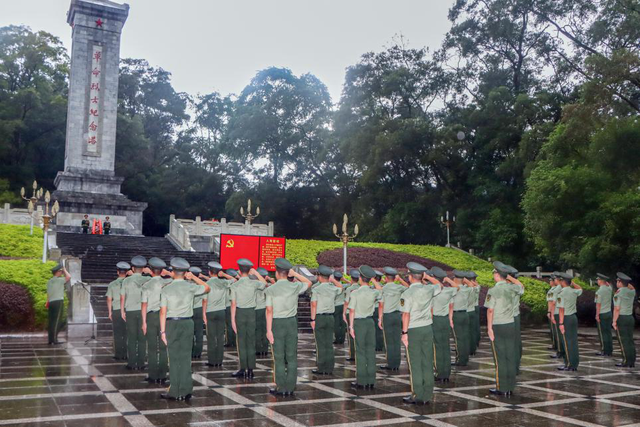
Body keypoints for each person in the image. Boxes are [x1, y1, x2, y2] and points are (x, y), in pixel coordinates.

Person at [159, 257, 211, 401]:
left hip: (172, 324)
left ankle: (175, 391)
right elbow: (207, 288)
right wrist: (194, 277)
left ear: (173, 271)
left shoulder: (167, 289)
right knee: (186, 357)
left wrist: (162, 331)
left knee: (174, 358)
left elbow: (163, 311)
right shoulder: (190, 286)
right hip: (188, 323)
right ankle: (187, 389)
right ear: (185, 272)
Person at [266, 258, 312, 395]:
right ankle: (290, 388)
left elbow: (269, 310)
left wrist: (269, 330)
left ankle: (281, 387)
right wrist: (295, 274)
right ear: (287, 273)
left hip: (277, 323)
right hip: (291, 323)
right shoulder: (294, 286)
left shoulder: (271, 289)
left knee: (279, 357)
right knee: (292, 356)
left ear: (277, 272)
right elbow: (309, 282)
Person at [400, 262, 441, 405]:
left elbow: (406, 315)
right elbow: (439, 286)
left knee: (415, 362)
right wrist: (428, 277)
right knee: (427, 361)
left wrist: (404, 333)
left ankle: (417, 394)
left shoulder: (407, 293)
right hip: (427, 328)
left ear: (410, 277)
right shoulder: (428, 289)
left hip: (413, 329)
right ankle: (427, 394)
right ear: (421, 276)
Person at [485, 261, 522, 396]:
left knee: (500, 357)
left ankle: (502, 387)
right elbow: (521, 287)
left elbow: (490, 310)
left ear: (497, 275)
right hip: (510, 324)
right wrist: (509, 278)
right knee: (510, 355)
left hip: (498, 325)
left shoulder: (493, 290)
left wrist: (489, 328)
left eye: (495, 273)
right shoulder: (512, 288)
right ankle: (510, 386)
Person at [231, 259, 267, 378]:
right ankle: (251, 369)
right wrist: (256, 273)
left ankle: (242, 368)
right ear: (249, 270)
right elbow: (265, 284)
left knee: (241, 342)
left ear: (240, 271)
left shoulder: (235, 285)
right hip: (252, 313)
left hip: (240, 313)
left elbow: (233, 304)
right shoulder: (254, 283)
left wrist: (232, 320)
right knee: (251, 341)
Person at [348, 265, 382, 390]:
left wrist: (351, 326)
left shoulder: (355, 293)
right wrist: (373, 280)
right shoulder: (374, 292)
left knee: (360, 351)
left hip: (359, 323)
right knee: (370, 351)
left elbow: (352, 310)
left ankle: (361, 381)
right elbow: (381, 290)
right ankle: (371, 380)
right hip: (370, 322)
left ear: (361, 279)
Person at [141, 257, 170, 384]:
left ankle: (153, 374)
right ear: (162, 271)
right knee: (164, 346)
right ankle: (163, 374)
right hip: (165, 316)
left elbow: (144, 305)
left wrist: (144, 322)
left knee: (152, 346)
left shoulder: (146, 285)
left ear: (151, 270)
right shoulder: (167, 283)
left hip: (151, 317)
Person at [310, 265, 343, 375]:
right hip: (330, 317)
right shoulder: (333, 288)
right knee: (329, 343)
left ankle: (321, 367)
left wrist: (312, 319)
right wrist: (333, 280)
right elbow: (341, 287)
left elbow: (314, 305)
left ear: (319, 276)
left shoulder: (316, 289)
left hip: (319, 317)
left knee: (320, 343)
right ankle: (329, 367)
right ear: (328, 277)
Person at [374, 266, 408, 371]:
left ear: (386, 277)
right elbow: (408, 287)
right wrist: (400, 280)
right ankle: (396, 363)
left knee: (389, 341)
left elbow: (380, 305)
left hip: (387, 316)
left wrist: (380, 319)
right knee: (396, 340)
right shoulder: (399, 287)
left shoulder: (383, 288)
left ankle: (390, 363)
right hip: (398, 316)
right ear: (394, 277)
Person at [120, 256, 151, 370]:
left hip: (131, 311)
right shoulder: (147, 280)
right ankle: (141, 363)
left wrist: (122, 310)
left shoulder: (126, 280)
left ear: (132, 268)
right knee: (142, 337)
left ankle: (132, 363)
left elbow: (122, 297)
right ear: (143, 269)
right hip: (144, 312)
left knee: (132, 338)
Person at [203, 262, 235, 367]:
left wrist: (204, 313)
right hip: (221, 311)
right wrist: (225, 275)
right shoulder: (223, 283)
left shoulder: (207, 284)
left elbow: (205, 300)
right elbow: (234, 280)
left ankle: (212, 360)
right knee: (221, 336)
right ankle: (219, 360)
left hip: (210, 312)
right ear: (218, 272)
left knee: (211, 337)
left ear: (209, 272)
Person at [430, 266, 456, 382]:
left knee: (437, 346)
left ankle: (439, 372)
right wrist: (447, 279)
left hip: (435, 319)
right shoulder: (449, 291)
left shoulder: (432, 290)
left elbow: (430, 309)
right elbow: (451, 305)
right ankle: (446, 372)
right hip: (445, 320)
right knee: (445, 346)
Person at [557, 272, 582, 371]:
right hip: (573, 317)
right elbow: (580, 289)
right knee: (573, 341)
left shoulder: (562, 293)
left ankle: (569, 364)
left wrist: (561, 323)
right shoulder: (574, 291)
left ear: (563, 281)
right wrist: (572, 283)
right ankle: (575, 363)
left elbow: (561, 309)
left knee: (567, 342)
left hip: (566, 318)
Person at [106, 261, 130, 360]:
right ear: (127, 272)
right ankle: (127, 353)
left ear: (117, 272)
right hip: (128, 310)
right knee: (127, 333)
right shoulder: (129, 283)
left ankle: (119, 354)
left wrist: (109, 312)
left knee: (117, 333)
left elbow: (109, 299)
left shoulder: (112, 284)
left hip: (116, 309)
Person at [449, 270, 472, 367]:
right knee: (464, 337)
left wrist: (449, 281)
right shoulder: (467, 288)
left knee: (458, 339)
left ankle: (460, 360)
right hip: (465, 314)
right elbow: (471, 285)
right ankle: (465, 358)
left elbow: (456, 287)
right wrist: (464, 280)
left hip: (456, 315)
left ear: (454, 279)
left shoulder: (454, 289)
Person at [613, 272, 636, 368]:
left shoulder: (619, 293)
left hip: (621, 318)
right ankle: (631, 361)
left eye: (618, 281)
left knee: (623, 340)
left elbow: (617, 308)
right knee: (630, 340)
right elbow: (632, 287)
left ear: (619, 282)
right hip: (630, 317)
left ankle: (626, 361)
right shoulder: (631, 291)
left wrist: (614, 321)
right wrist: (626, 283)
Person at [46, 264, 70, 345]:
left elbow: (48, 294)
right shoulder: (60, 280)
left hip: (51, 302)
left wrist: (47, 302)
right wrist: (65, 269)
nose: (62, 273)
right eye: (61, 271)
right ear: (58, 272)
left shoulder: (49, 281)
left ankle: (50, 339)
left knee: (51, 321)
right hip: (58, 301)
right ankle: (54, 340)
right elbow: (69, 277)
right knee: (57, 321)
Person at [343, 269, 361, 361]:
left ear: (351, 278)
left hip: (350, 313)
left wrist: (343, 313)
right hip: (359, 313)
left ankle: (352, 355)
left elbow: (346, 302)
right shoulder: (360, 287)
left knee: (351, 335)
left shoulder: (350, 289)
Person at [595, 273, 614, 357]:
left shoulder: (599, 291)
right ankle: (609, 350)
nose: (597, 281)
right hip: (609, 313)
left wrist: (597, 315)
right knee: (608, 332)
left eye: (598, 280)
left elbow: (598, 304)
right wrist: (606, 282)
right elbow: (609, 285)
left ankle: (604, 350)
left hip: (602, 313)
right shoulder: (609, 289)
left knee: (602, 333)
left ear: (600, 281)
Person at [255, 266, 271, 357]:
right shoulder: (268, 285)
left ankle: (258, 348)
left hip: (257, 309)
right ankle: (265, 349)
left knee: (257, 330)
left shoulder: (255, 284)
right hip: (265, 309)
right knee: (265, 329)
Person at [190, 266, 205, 359]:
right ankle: (198, 352)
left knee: (190, 332)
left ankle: (191, 350)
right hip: (199, 309)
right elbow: (205, 300)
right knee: (199, 332)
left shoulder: (187, 285)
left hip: (189, 310)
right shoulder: (201, 285)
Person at [464, 272, 480, 356]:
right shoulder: (476, 287)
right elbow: (475, 285)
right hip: (474, 309)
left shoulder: (466, 288)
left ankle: (469, 348)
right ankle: (473, 347)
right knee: (474, 330)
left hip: (467, 310)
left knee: (468, 332)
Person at [550, 272, 565, 360]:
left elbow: (553, 303)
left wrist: (551, 314)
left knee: (558, 334)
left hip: (556, 312)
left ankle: (560, 351)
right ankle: (561, 350)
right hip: (562, 313)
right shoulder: (562, 288)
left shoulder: (556, 289)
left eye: (555, 279)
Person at [225, 268, 238, 347]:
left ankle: (230, 341)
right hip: (234, 306)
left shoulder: (226, 283)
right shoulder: (237, 283)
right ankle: (233, 341)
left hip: (228, 306)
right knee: (233, 324)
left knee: (229, 325)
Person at [333, 271, 347, 345]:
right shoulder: (344, 285)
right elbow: (352, 283)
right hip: (343, 305)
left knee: (336, 324)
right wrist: (345, 279)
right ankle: (342, 339)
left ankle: (337, 338)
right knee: (342, 323)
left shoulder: (333, 286)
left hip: (336, 306)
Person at [546, 274, 559, 353]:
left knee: (554, 330)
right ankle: (556, 345)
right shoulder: (557, 289)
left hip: (554, 311)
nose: (550, 282)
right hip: (557, 311)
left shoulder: (552, 290)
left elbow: (550, 302)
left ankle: (555, 345)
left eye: (550, 280)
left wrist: (549, 311)